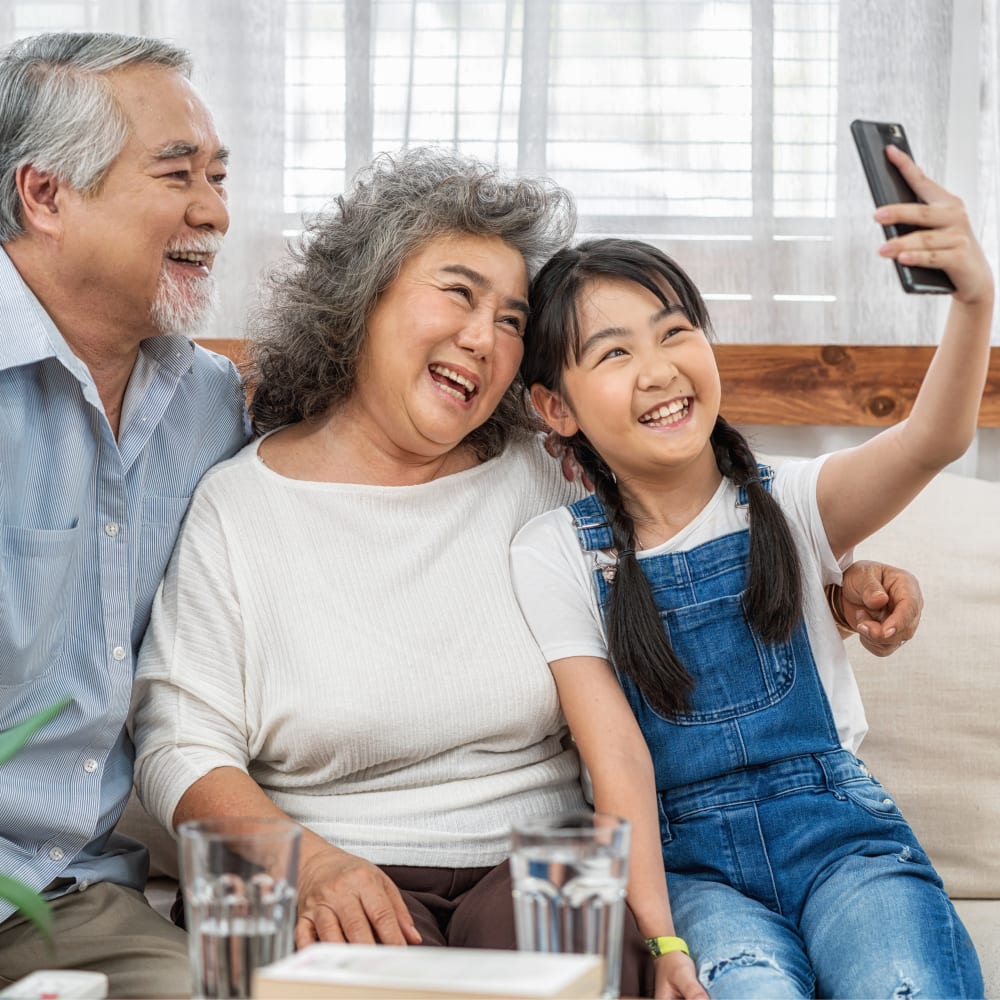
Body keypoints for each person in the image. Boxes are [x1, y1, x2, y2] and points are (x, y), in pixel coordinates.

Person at [132, 145, 923, 997]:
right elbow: (179, 739)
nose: (484, 337)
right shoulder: (239, 506)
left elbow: (701, 540)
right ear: (360, 300)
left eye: (511, 319)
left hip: (534, 858)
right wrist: (311, 863)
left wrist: (830, 583)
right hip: (322, 856)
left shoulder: (551, 472)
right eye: (459, 294)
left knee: (570, 938)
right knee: (284, 943)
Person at [510, 144, 991, 998]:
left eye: (675, 332)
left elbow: (932, 442)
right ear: (556, 406)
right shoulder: (556, 551)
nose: (659, 368)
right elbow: (618, 758)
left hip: (845, 843)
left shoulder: (796, 502)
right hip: (693, 877)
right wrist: (660, 943)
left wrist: (974, 300)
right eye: (614, 354)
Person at [0, 32, 248, 997]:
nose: (214, 211)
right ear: (46, 195)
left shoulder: (211, 404)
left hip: (65, 897)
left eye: (219, 176)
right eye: (178, 174)